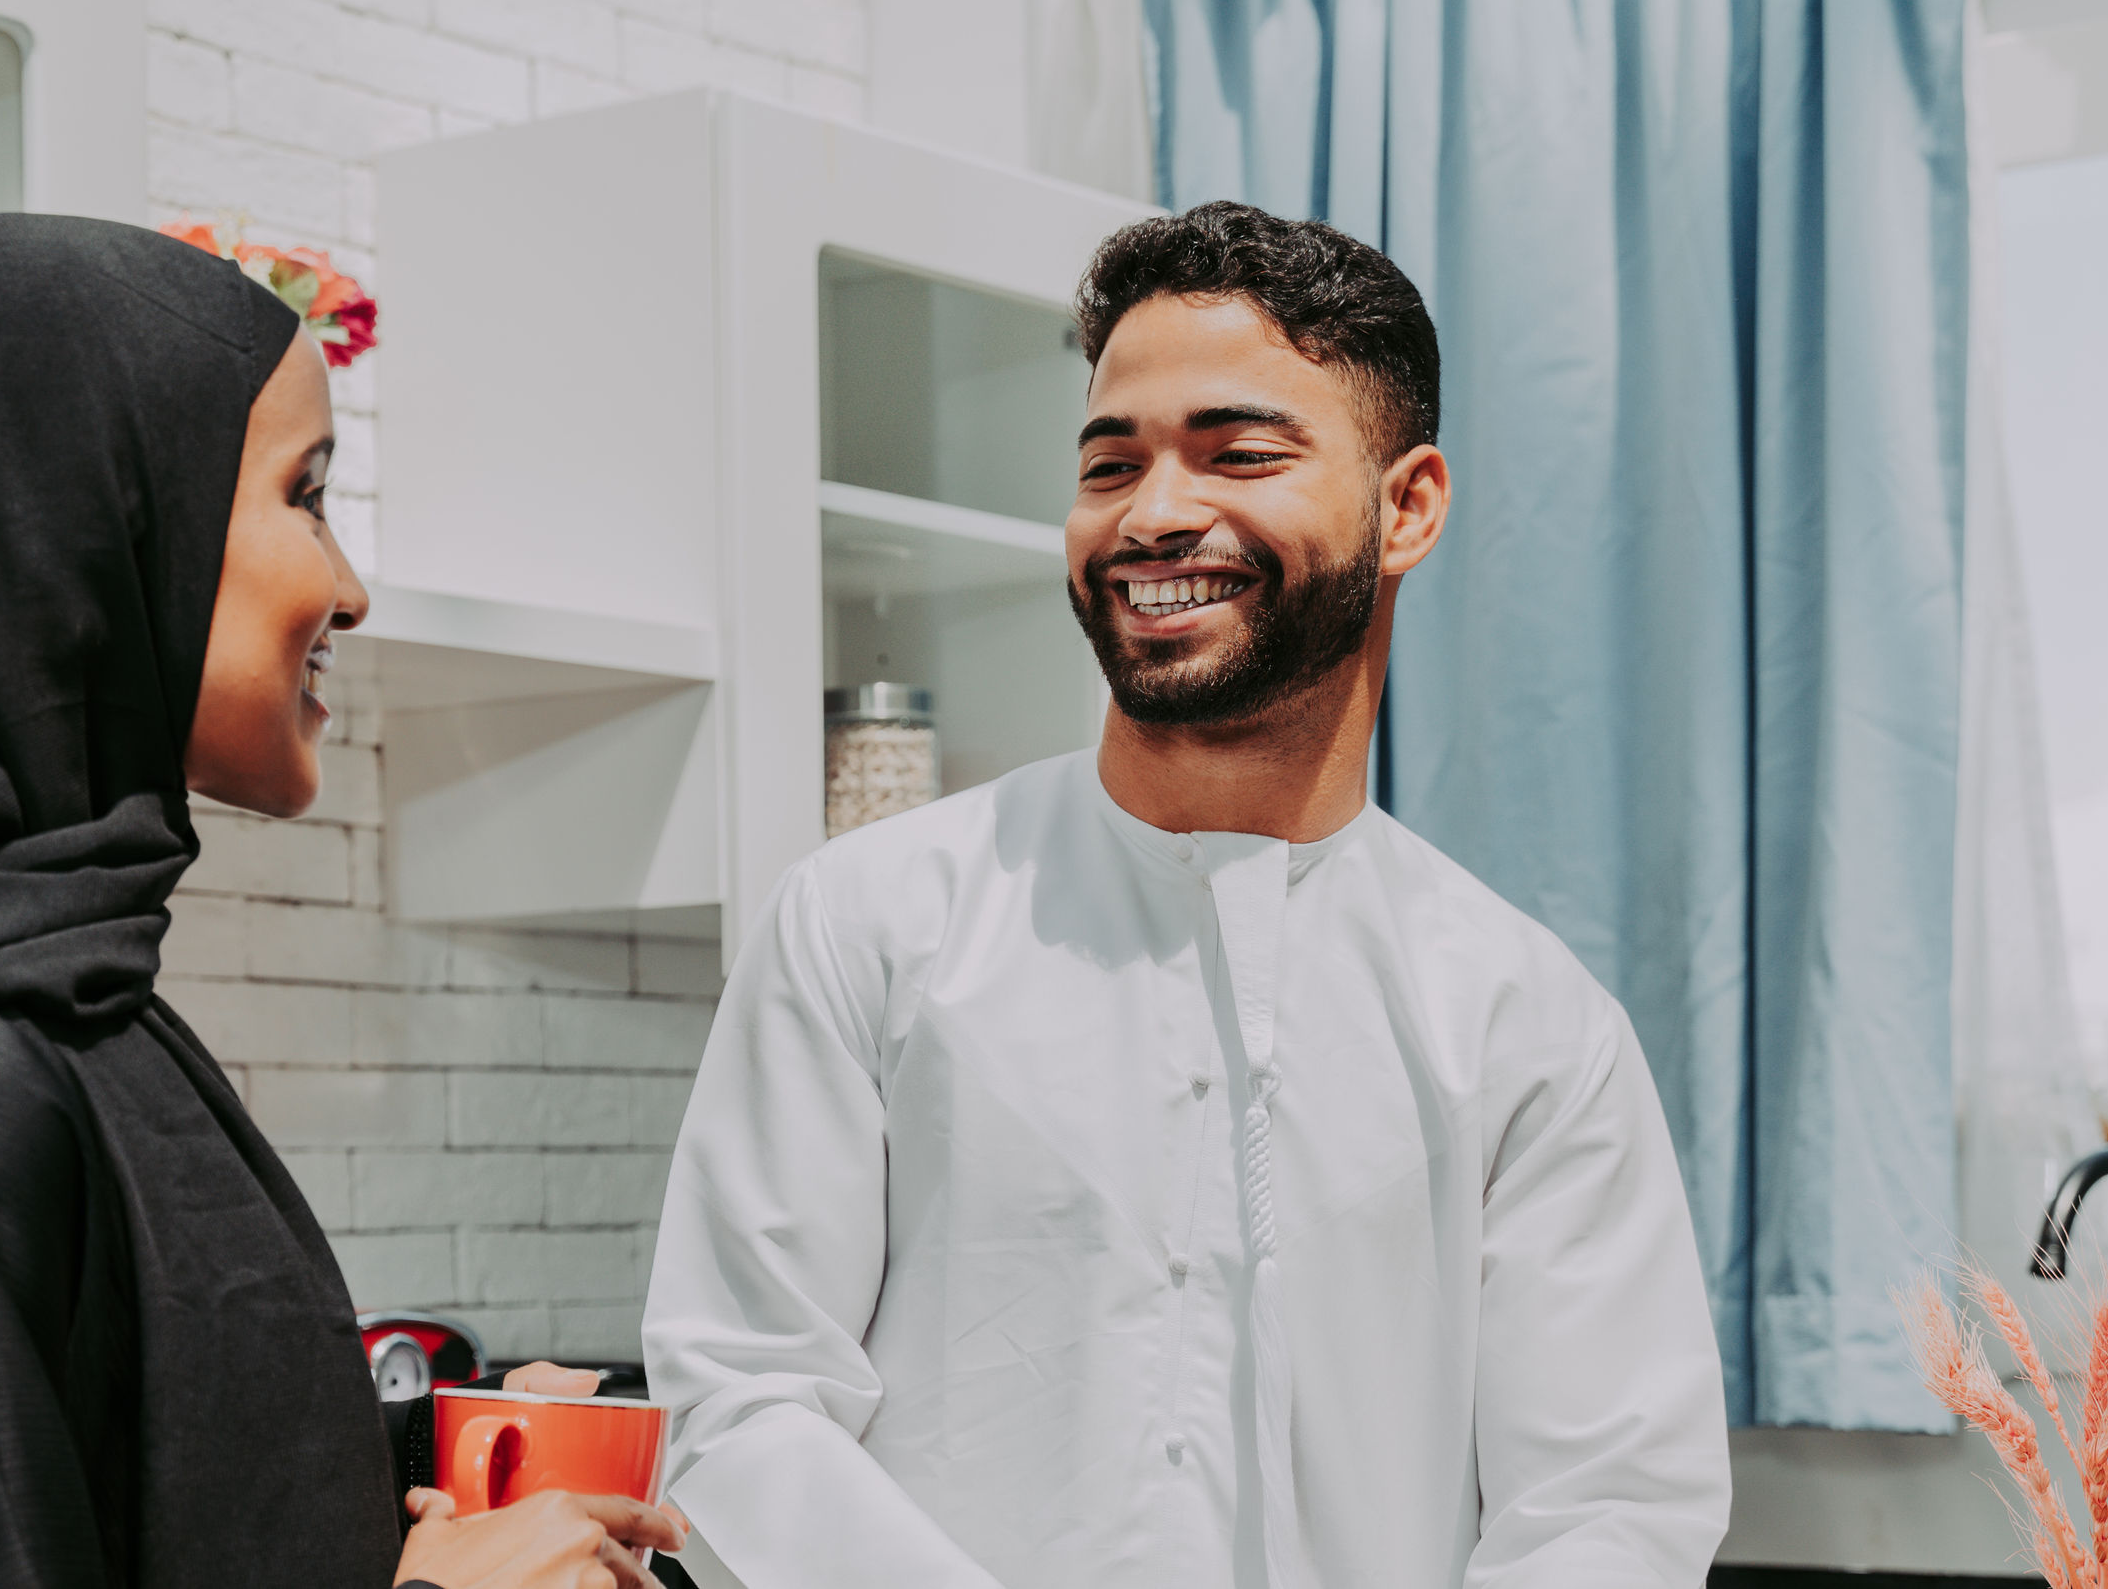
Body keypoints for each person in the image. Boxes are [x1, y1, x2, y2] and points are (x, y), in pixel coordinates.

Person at [0, 214, 681, 1589]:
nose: (349, 587)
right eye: (306, 493)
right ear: (76, 525)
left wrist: (407, 1493)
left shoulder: (71, 1016)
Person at [642, 202, 1730, 1588]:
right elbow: (741, 1399)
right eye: (1111, 464)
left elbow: (1610, 1511)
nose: (1154, 515)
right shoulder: (868, 923)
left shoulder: (1525, 1024)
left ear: (1408, 506)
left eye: (1239, 454)